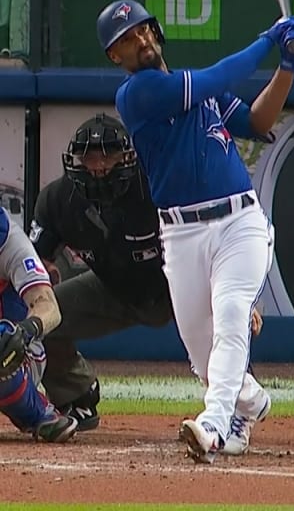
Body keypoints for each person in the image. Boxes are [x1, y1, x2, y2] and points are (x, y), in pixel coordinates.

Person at [97, 0, 294, 463]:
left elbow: (257, 121)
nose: (141, 40)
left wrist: (287, 66)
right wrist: (268, 41)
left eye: (144, 29)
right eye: (128, 39)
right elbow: (216, 78)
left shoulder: (195, 88)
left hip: (239, 222)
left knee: (232, 314)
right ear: (116, 56)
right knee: (202, 356)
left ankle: (213, 423)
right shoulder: (137, 94)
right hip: (180, 235)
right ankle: (251, 402)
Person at [30, 114, 267, 448]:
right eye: (89, 157)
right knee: (40, 317)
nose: (98, 166)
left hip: (175, 282)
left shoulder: (160, 184)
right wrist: (34, 291)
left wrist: (245, 298)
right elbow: (33, 267)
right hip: (110, 289)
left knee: (228, 317)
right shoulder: (56, 200)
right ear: (75, 161)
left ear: (128, 156)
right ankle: (76, 393)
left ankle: (238, 412)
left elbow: (212, 239)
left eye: (108, 155)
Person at [0, 206, 77, 442]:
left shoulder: (7, 239)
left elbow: (49, 308)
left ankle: (40, 413)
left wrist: (25, 331)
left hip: (14, 353)